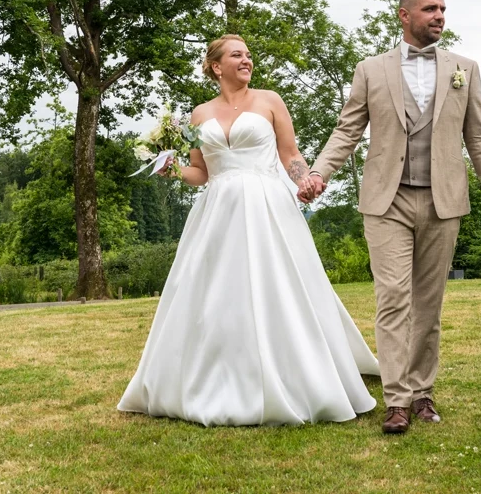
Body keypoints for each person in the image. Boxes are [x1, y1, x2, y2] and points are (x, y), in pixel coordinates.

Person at [117, 34, 380, 426]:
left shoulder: (270, 100)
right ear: (216, 66)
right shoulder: (199, 113)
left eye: (249, 55)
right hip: (218, 209)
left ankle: (297, 373)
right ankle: (214, 374)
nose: (246, 61)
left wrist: (306, 179)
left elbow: (290, 154)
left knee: (278, 285)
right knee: (217, 293)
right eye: (236, 55)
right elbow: (200, 173)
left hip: (266, 204)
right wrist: (169, 167)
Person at [304, 0, 481, 434]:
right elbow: (347, 130)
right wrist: (320, 173)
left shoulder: (465, 69)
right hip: (386, 199)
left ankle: (422, 392)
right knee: (392, 297)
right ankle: (395, 400)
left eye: (443, 9)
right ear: (404, 15)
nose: (439, 15)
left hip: (444, 200)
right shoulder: (371, 70)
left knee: (428, 305)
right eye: (430, 9)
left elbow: (479, 136)